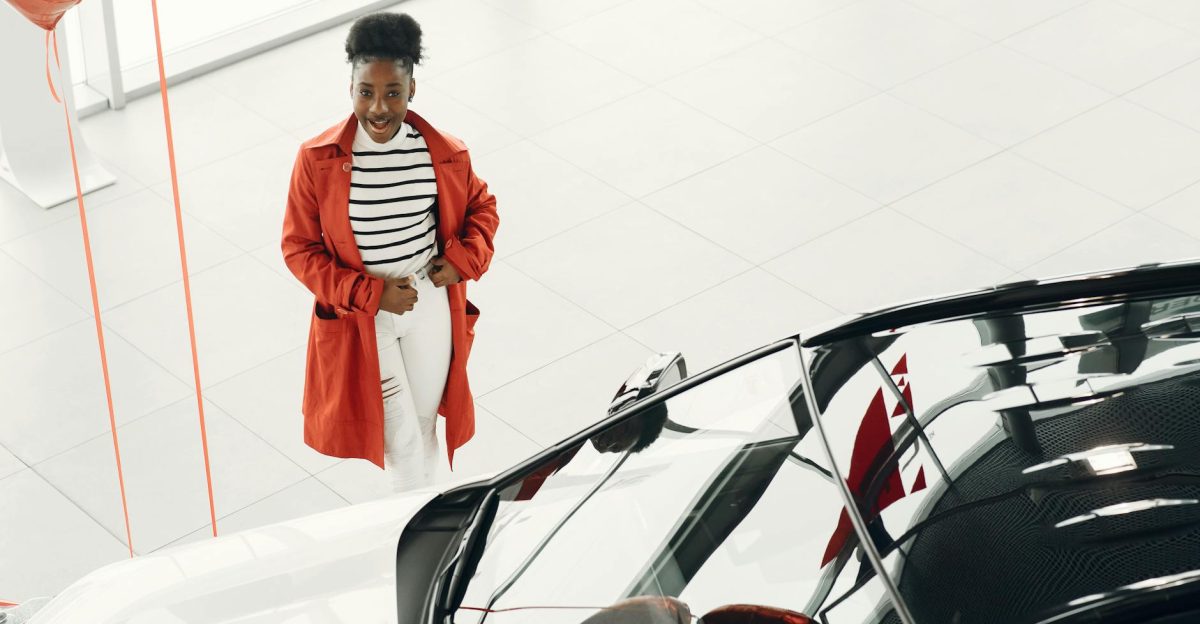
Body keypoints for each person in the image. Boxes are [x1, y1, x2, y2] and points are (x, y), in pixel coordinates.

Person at [281, 12, 498, 492]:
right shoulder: (317, 160)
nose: (378, 108)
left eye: (393, 93)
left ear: (412, 89)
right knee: (400, 440)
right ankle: (413, 529)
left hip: (429, 306)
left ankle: (424, 524)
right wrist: (373, 294)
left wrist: (460, 261)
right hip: (366, 316)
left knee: (422, 428)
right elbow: (298, 248)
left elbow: (483, 207)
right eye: (366, 92)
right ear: (350, 88)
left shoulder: (443, 153)